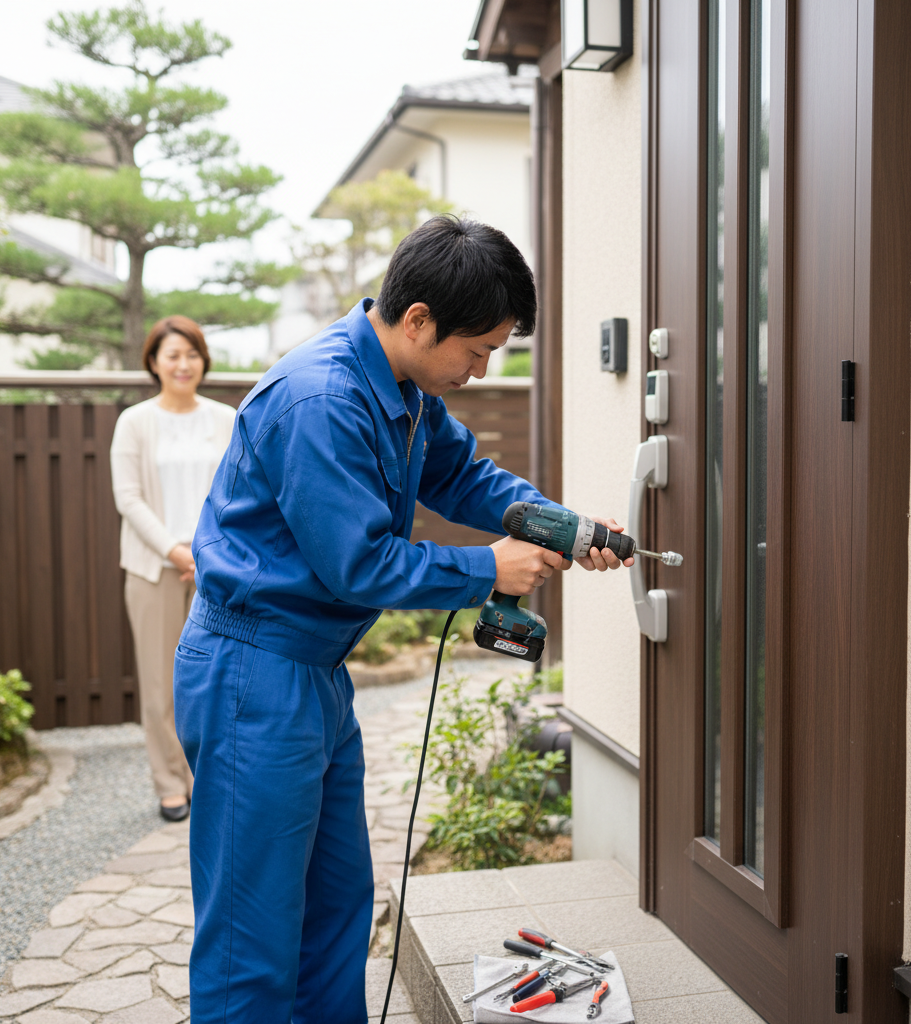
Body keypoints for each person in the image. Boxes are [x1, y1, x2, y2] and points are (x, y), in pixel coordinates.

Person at [173, 217, 631, 1023]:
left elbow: (465, 477)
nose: (483, 369)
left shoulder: (406, 389)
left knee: (334, 908)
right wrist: (489, 567)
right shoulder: (322, 399)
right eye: (478, 349)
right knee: (253, 937)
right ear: (418, 318)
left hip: (312, 673)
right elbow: (360, 564)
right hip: (252, 672)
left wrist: (565, 526)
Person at [110, 315, 236, 822]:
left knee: (213, 680)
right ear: (154, 363)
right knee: (161, 682)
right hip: (154, 569)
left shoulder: (227, 418)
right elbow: (128, 498)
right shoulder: (135, 421)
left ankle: (204, 779)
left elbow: (237, 493)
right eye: (172, 355)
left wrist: (204, 551)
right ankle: (168, 783)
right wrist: (174, 550)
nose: (183, 364)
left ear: (203, 361)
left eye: (192, 354)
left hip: (216, 568)